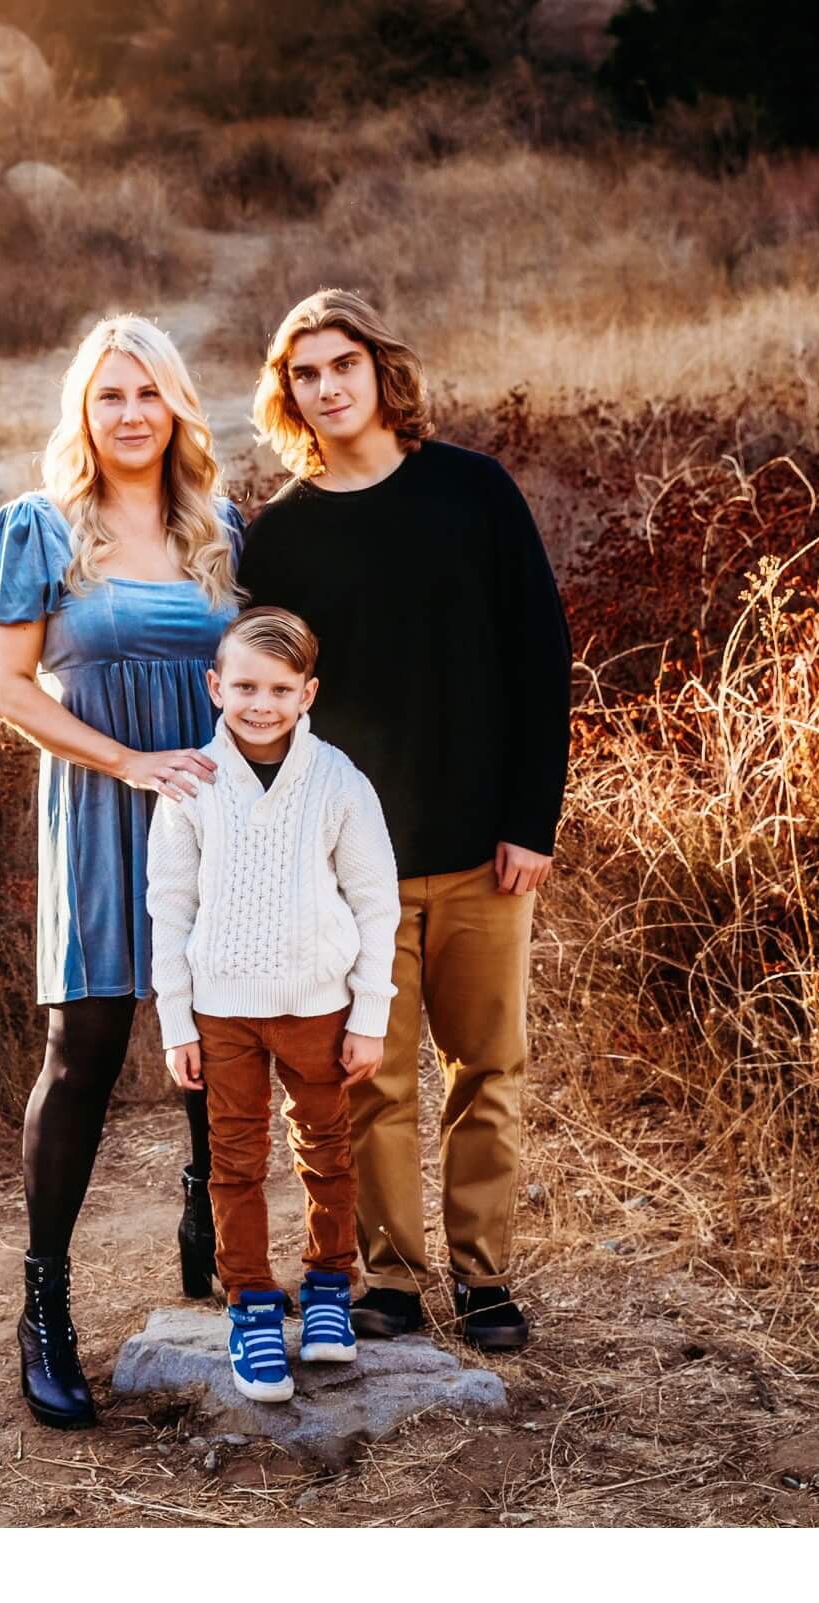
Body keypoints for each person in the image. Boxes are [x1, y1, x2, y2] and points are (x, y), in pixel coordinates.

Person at [233, 289, 572, 1352]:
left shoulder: (471, 491)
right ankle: (387, 1280)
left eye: (343, 365)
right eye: (305, 374)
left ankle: (483, 1280)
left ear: (382, 371)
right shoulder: (280, 539)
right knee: (365, 1083)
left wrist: (532, 819)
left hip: (482, 851)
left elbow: (540, 657)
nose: (327, 388)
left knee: (487, 1072)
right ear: (286, 393)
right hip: (349, 872)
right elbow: (268, 706)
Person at [0, 313, 244, 1430]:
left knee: (222, 1026)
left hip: (212, 808)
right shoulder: (36, 528)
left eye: (148, 394)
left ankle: (206, 1218)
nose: (130, 415)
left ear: (177, 405)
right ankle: (44, 1308)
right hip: (96, 803)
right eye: (108, 396)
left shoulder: (222, 530)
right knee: (82, 1047)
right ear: (82, 412)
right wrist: (128, 761)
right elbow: (8, 689)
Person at [145, 607, 400, 1402]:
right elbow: (169, 904)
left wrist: (369, 1014)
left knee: (327, 1147)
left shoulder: (337, 781)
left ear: (307, 692)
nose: (261, 702)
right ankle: (251, 1299)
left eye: (280, 687)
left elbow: (375, 900)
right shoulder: (191, 784)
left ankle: (328, 1286)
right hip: (220, 1009)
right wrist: (175, 1020)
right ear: (215, 684)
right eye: (245, 684)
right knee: (235, 1158)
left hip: (317, 1004)